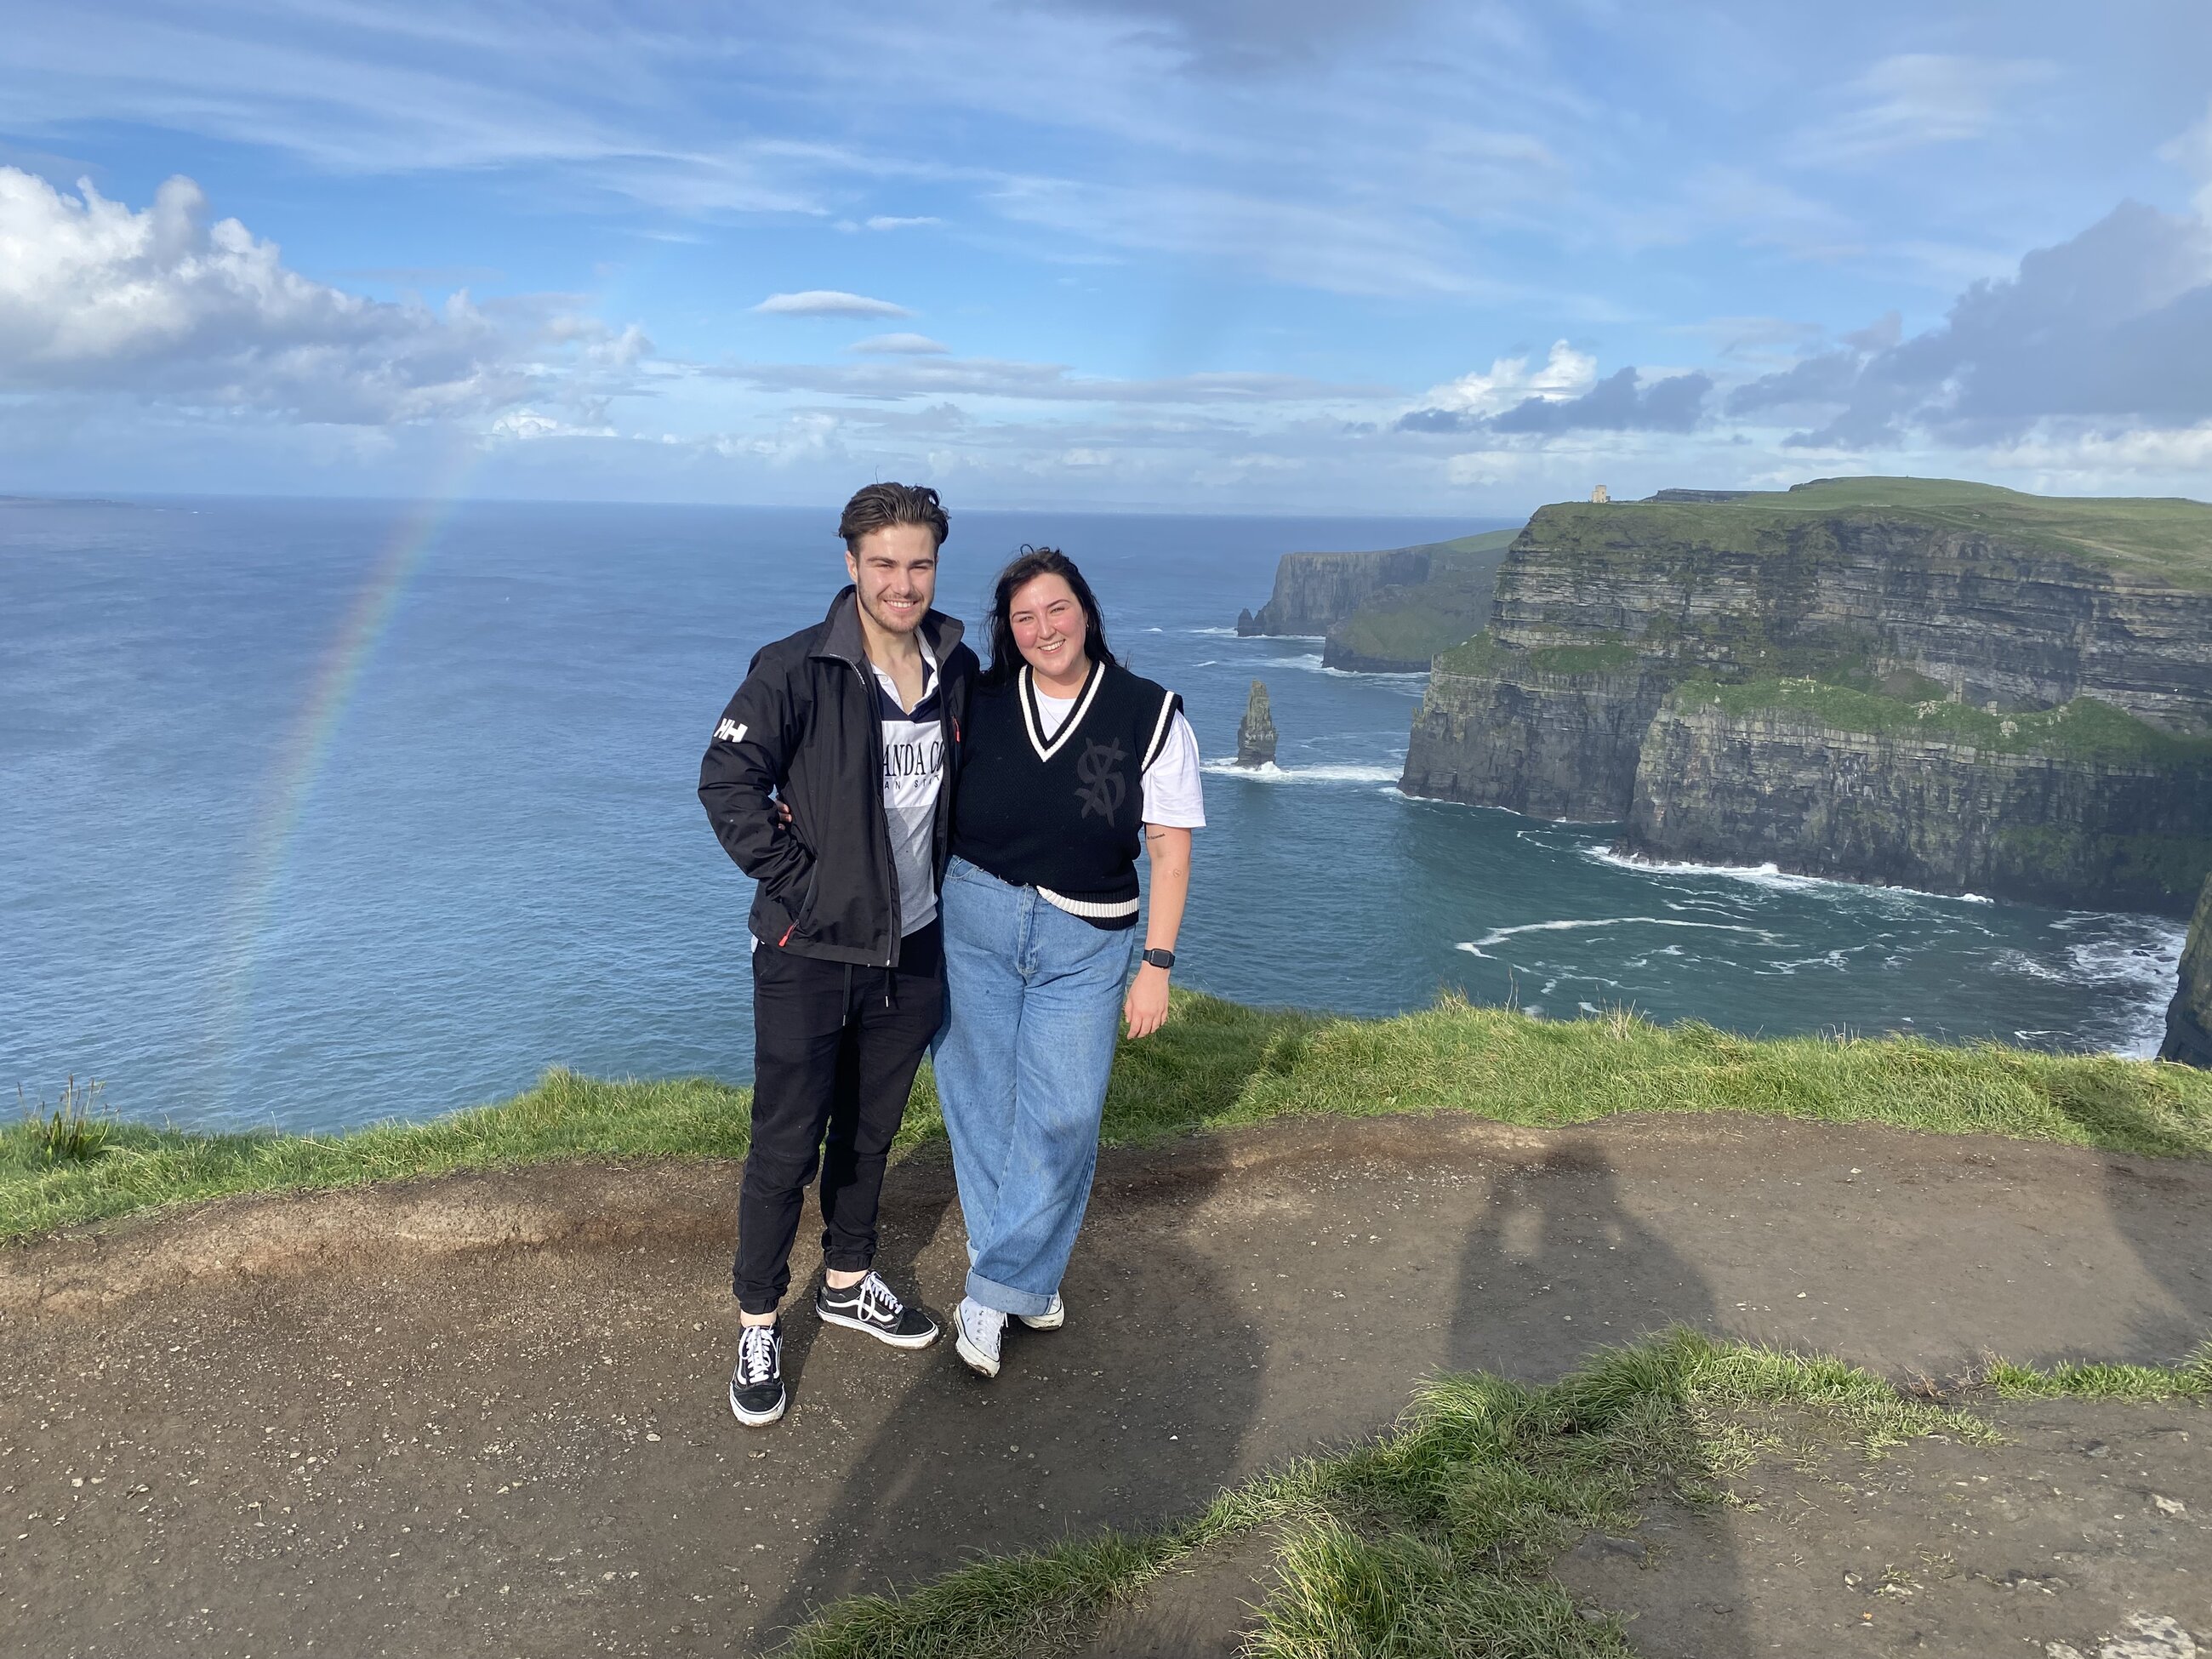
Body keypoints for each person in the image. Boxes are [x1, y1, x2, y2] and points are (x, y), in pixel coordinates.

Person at [698, 482, 976, 1427]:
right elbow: (726, 780)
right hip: (808, 951)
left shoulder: (953, 661)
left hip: (913, 945)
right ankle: (757, 1316)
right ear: (850, 563)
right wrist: (804, 882)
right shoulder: (794, 668)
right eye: (885, 563)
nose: (904, 583)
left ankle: (848, 1277)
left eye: (920, 563)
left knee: (868, 1129)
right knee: (785, 1141)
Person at [932, 546, 1202, 1378]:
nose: (1042, 627)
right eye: (1023, 617)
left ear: (1083, 610)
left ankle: (989, 1293)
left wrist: (1154, 964)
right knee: (980, 1106)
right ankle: (1024, 1280)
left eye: (1055, 609)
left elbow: (1168, 848)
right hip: (972, 919)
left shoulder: (1147, 713)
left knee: (1062, 1117)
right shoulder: (977, 703)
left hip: (1085, 942)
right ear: (1007, 632)